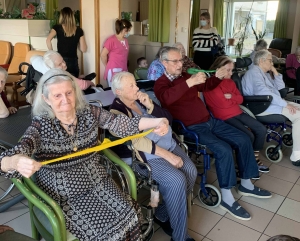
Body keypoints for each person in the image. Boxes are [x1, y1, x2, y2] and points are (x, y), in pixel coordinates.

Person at [0, 68, 170, 240]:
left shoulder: (88, 112)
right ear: (46, 99)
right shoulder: (40, 126)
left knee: (129, 213)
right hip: (64, 194)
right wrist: (16, 161)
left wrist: (156, 121)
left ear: (75, 92)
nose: (65, 100)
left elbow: (119, 123)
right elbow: (11, 156)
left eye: (68, 92)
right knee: (102, 232)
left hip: (96, 181)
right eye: (57, 96)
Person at [154, 47, 272, 221]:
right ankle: (227, 198)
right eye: (176, 61)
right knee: (224, 150)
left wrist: (217, 77)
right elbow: (167, 98)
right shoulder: (161, 83)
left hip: (209, 121)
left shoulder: (187, 76)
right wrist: (190, 83)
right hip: (191, 128)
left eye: (181, 60)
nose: (180, 64)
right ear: (164, 63)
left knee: (244, 138)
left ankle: (246, 184)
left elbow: (207, 86)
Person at [110, 72, 197, 241]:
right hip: (145, 157)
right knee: (177, 180)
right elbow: (136, 142)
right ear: (119, 92)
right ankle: (180, 237)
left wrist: (150, 105)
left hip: (168, 144)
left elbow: (168, 119)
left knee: (191, 172)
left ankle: (162, 213)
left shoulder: (143, 100)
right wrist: (168, 157)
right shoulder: (117, 112)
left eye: (135, 84)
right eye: (131, 86)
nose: (137, 88)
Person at [203, 56, 269, 175]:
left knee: (261, 129)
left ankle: (254, 158)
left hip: (237, 112)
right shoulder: (211, 84)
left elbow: (240, 99)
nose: (231, 73)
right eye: (228, 70)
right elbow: (222, 103)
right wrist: (232, 99)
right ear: (218, 69)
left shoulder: (230, 81)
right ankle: (242, 164)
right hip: (223, 116)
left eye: (231, 70)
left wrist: (231, 97)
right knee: (248, 135)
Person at [242, 49, 300, 167]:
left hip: (271, 103)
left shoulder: (263, 73)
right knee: (298, 116)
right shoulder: (253, 73)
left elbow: (280, 88)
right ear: (261, 61)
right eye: (270, 60)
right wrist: (285, 104)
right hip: (261, 106)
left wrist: (274, 71)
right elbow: (263, 92)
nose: (272, 63)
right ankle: (296, 155)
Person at [46, 7, 87, 77]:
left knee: (62, 82)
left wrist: (52, 53)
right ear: (72, 16)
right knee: (74, 83)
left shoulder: (57, 27)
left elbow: (48, 40)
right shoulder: (79, 30)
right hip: (73, 61)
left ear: (61, 16)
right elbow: (83, 49)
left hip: (61, 61)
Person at [31, 50, 95, 91]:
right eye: (60, 64)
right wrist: (91, 84)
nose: (64, 64)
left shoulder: (41, 66)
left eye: (63, 60)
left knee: (80, 77)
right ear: (52, 68)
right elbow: (83, 85)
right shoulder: (60, 76)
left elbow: (33, 58)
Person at [101, 19, 132, 87]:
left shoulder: (125, 40)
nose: (129, 32)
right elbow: (103, 55)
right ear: (125, 29)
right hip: (113, 70)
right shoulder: (111, 40)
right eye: (128, 30)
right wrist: (107, 66)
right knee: (114, 91)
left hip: (123, 69)